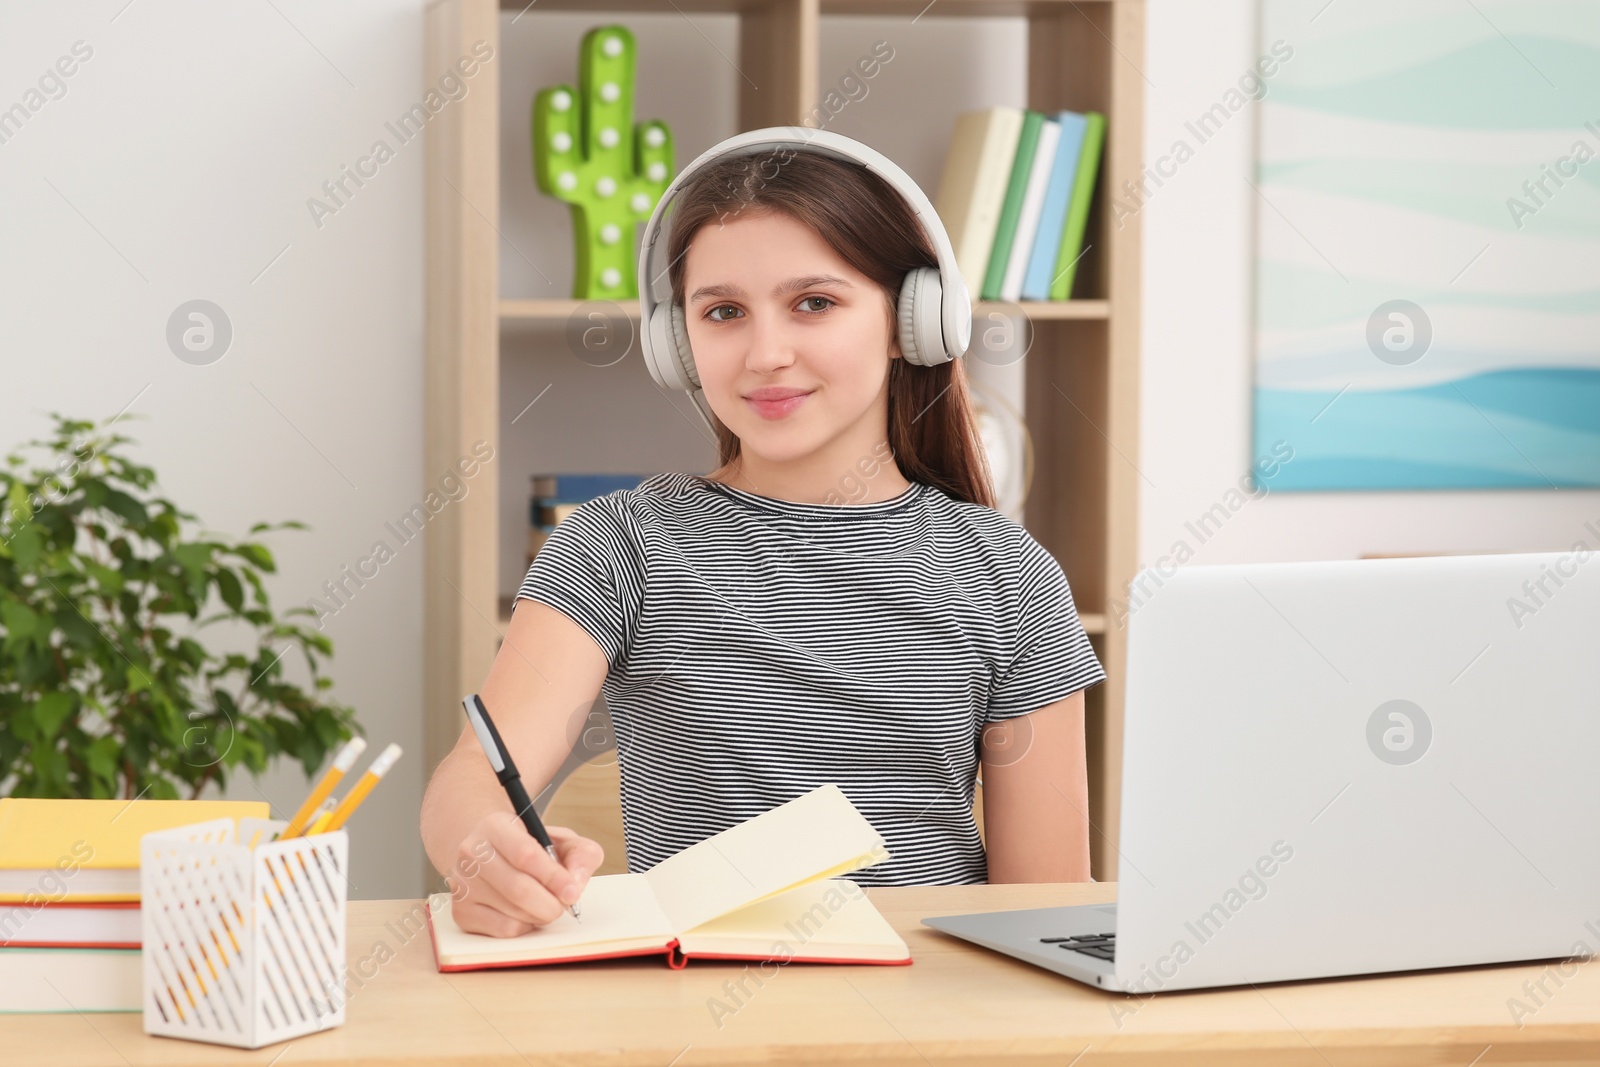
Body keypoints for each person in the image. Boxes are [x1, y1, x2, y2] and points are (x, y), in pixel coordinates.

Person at [420, 140, 1106, 938]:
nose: (766, 354)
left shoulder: (1009, 572)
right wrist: (481, 849)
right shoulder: (620, 543)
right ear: (679, 343)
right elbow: (472, 776)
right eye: (723, 312)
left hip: (926, 1017)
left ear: (909, 322)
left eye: (814, 302)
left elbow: (1045, 910)